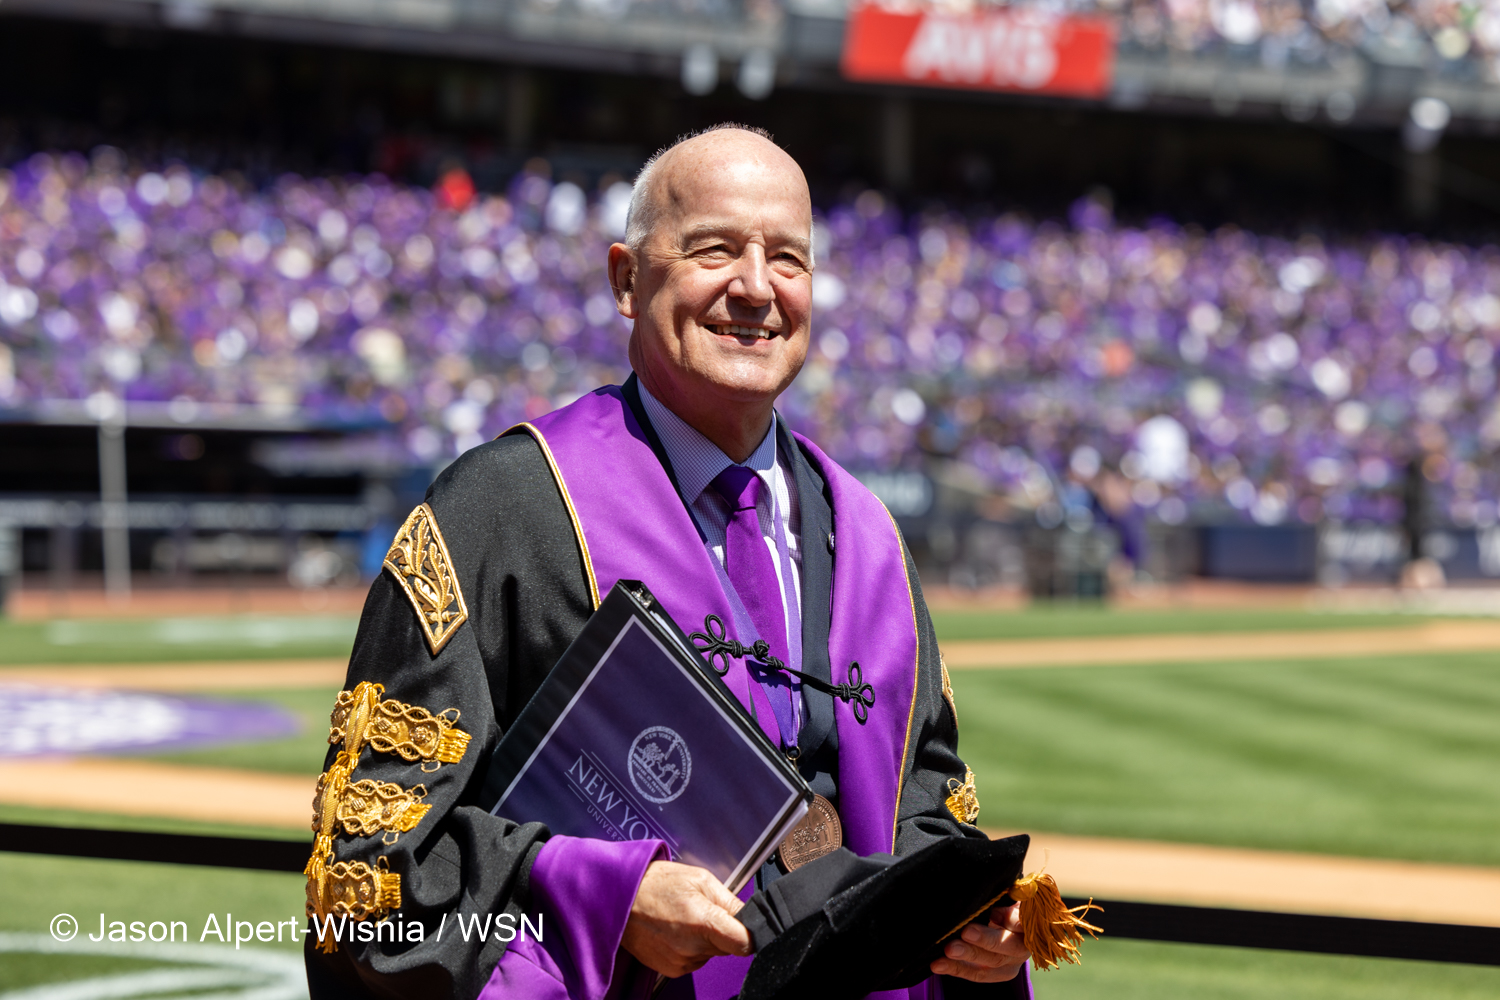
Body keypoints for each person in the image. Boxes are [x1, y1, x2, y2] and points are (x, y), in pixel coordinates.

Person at [304, 123, 1032, 1000]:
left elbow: (927, 806)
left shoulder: (867, 537)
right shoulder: (503, 511)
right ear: (625, 278)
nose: (757, 288)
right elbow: (367, 863)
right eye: (714, 249)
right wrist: (610, 901)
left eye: (789, 259)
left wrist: (979, 920)